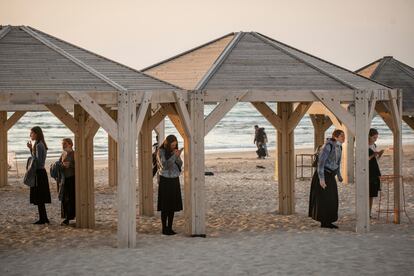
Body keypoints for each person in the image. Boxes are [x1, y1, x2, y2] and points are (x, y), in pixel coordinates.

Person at [309, 129, 345, 229]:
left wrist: (339, 175)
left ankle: (328, 221)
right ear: (336, 136)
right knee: (325, 199)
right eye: (342, 136)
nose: (344, 138)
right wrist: (321, 179)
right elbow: (320, 163)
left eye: (344, 136)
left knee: (332, 199)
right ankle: (324, 222)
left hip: (331, 175)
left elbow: (337, 163)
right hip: (323, 175)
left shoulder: (339, 147)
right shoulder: (328, 146)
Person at [157, 135, 183, 235]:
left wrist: (178, 156)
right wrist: (174, 156)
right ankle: (164, 228)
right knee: (165, 206)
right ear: (167, 144)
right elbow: (165, 166)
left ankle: (170, 228)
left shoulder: (174, 152)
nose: (174, 147)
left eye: (175, 145)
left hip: (174, 179)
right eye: (172, 145)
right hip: (165, 180)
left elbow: (180, 165)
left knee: (172, 206)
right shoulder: (161, 151)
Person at [27, 126, 51, 224]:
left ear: (36, 134)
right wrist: (31, 149)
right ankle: (44, 218)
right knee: (40, 197)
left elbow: (37, 161)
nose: (30, 135)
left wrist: (31, 150)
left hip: (39, 173)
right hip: (41, 172)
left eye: (32, 133)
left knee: (39, 197)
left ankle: (43, 219)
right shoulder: (40, 144)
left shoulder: (38, 145)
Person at [59, 138, 76, 225]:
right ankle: (66, 217)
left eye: (65, 143)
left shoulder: (74, 154)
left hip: (71, 178)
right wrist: (62, 165)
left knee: (70, 198)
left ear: (70, 144)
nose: (63, 145)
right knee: (64, 199)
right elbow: (58, 164)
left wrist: (70, 165)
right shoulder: (63, 153)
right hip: (63, 179)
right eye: (62, 144)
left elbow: (79, 165)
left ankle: (69, 218)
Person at [368, 128, 383, 218]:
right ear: (369, 136)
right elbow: (365, 159)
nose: (375, 139)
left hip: (375, 170)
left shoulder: (374, 145)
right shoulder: (364, 146)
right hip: (368, 171)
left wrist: (379, 154)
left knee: (372, 194)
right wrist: (373, 155)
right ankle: (366, 213)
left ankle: (369, 213)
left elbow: (376, 159)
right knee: (368, 193)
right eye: (374, 137)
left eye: (376, 137)